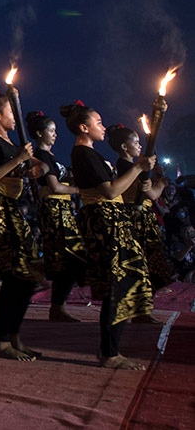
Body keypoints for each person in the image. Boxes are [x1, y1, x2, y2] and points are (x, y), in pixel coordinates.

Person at [62, 102, 154, 369]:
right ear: (84, 127)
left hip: (111, 219)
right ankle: (110, 353)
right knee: (119, 284)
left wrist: (140, 180)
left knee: (123, 282)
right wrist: (137, 168)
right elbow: (110, 192)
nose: (103, 127)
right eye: (98, 122)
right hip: (104, 222)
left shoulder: (90, 154)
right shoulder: (83, 154)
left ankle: (110, 349)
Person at [0, 90, 42, 361]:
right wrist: (18, 161)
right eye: (10, 112)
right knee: (13, 276)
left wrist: (30, 168)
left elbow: (21, 170)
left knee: (29, 274)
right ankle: (1, 341)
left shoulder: (12, 142)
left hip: (11, 209)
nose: (15, 117)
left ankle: (14, 336)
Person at [26, 111, 86, 323]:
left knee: (67, 259)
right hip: (54, 210)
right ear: (39, 133)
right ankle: (55, 303)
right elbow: (54, 186)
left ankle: (57, 305)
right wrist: (80, 190)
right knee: (67, 258)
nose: (55, 135)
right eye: (51, 131)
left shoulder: (49, 157)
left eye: (55, 131)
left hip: (62, 210)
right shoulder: (42, 157)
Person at [107, 124, 174, 297]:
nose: (140, 146)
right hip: (137, 213)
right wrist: (161, 184)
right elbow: (152, 194)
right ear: (124, 147)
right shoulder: (129, 167)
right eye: (135, 142)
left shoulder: (127, 165)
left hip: (136, 212)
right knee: (146, 254)